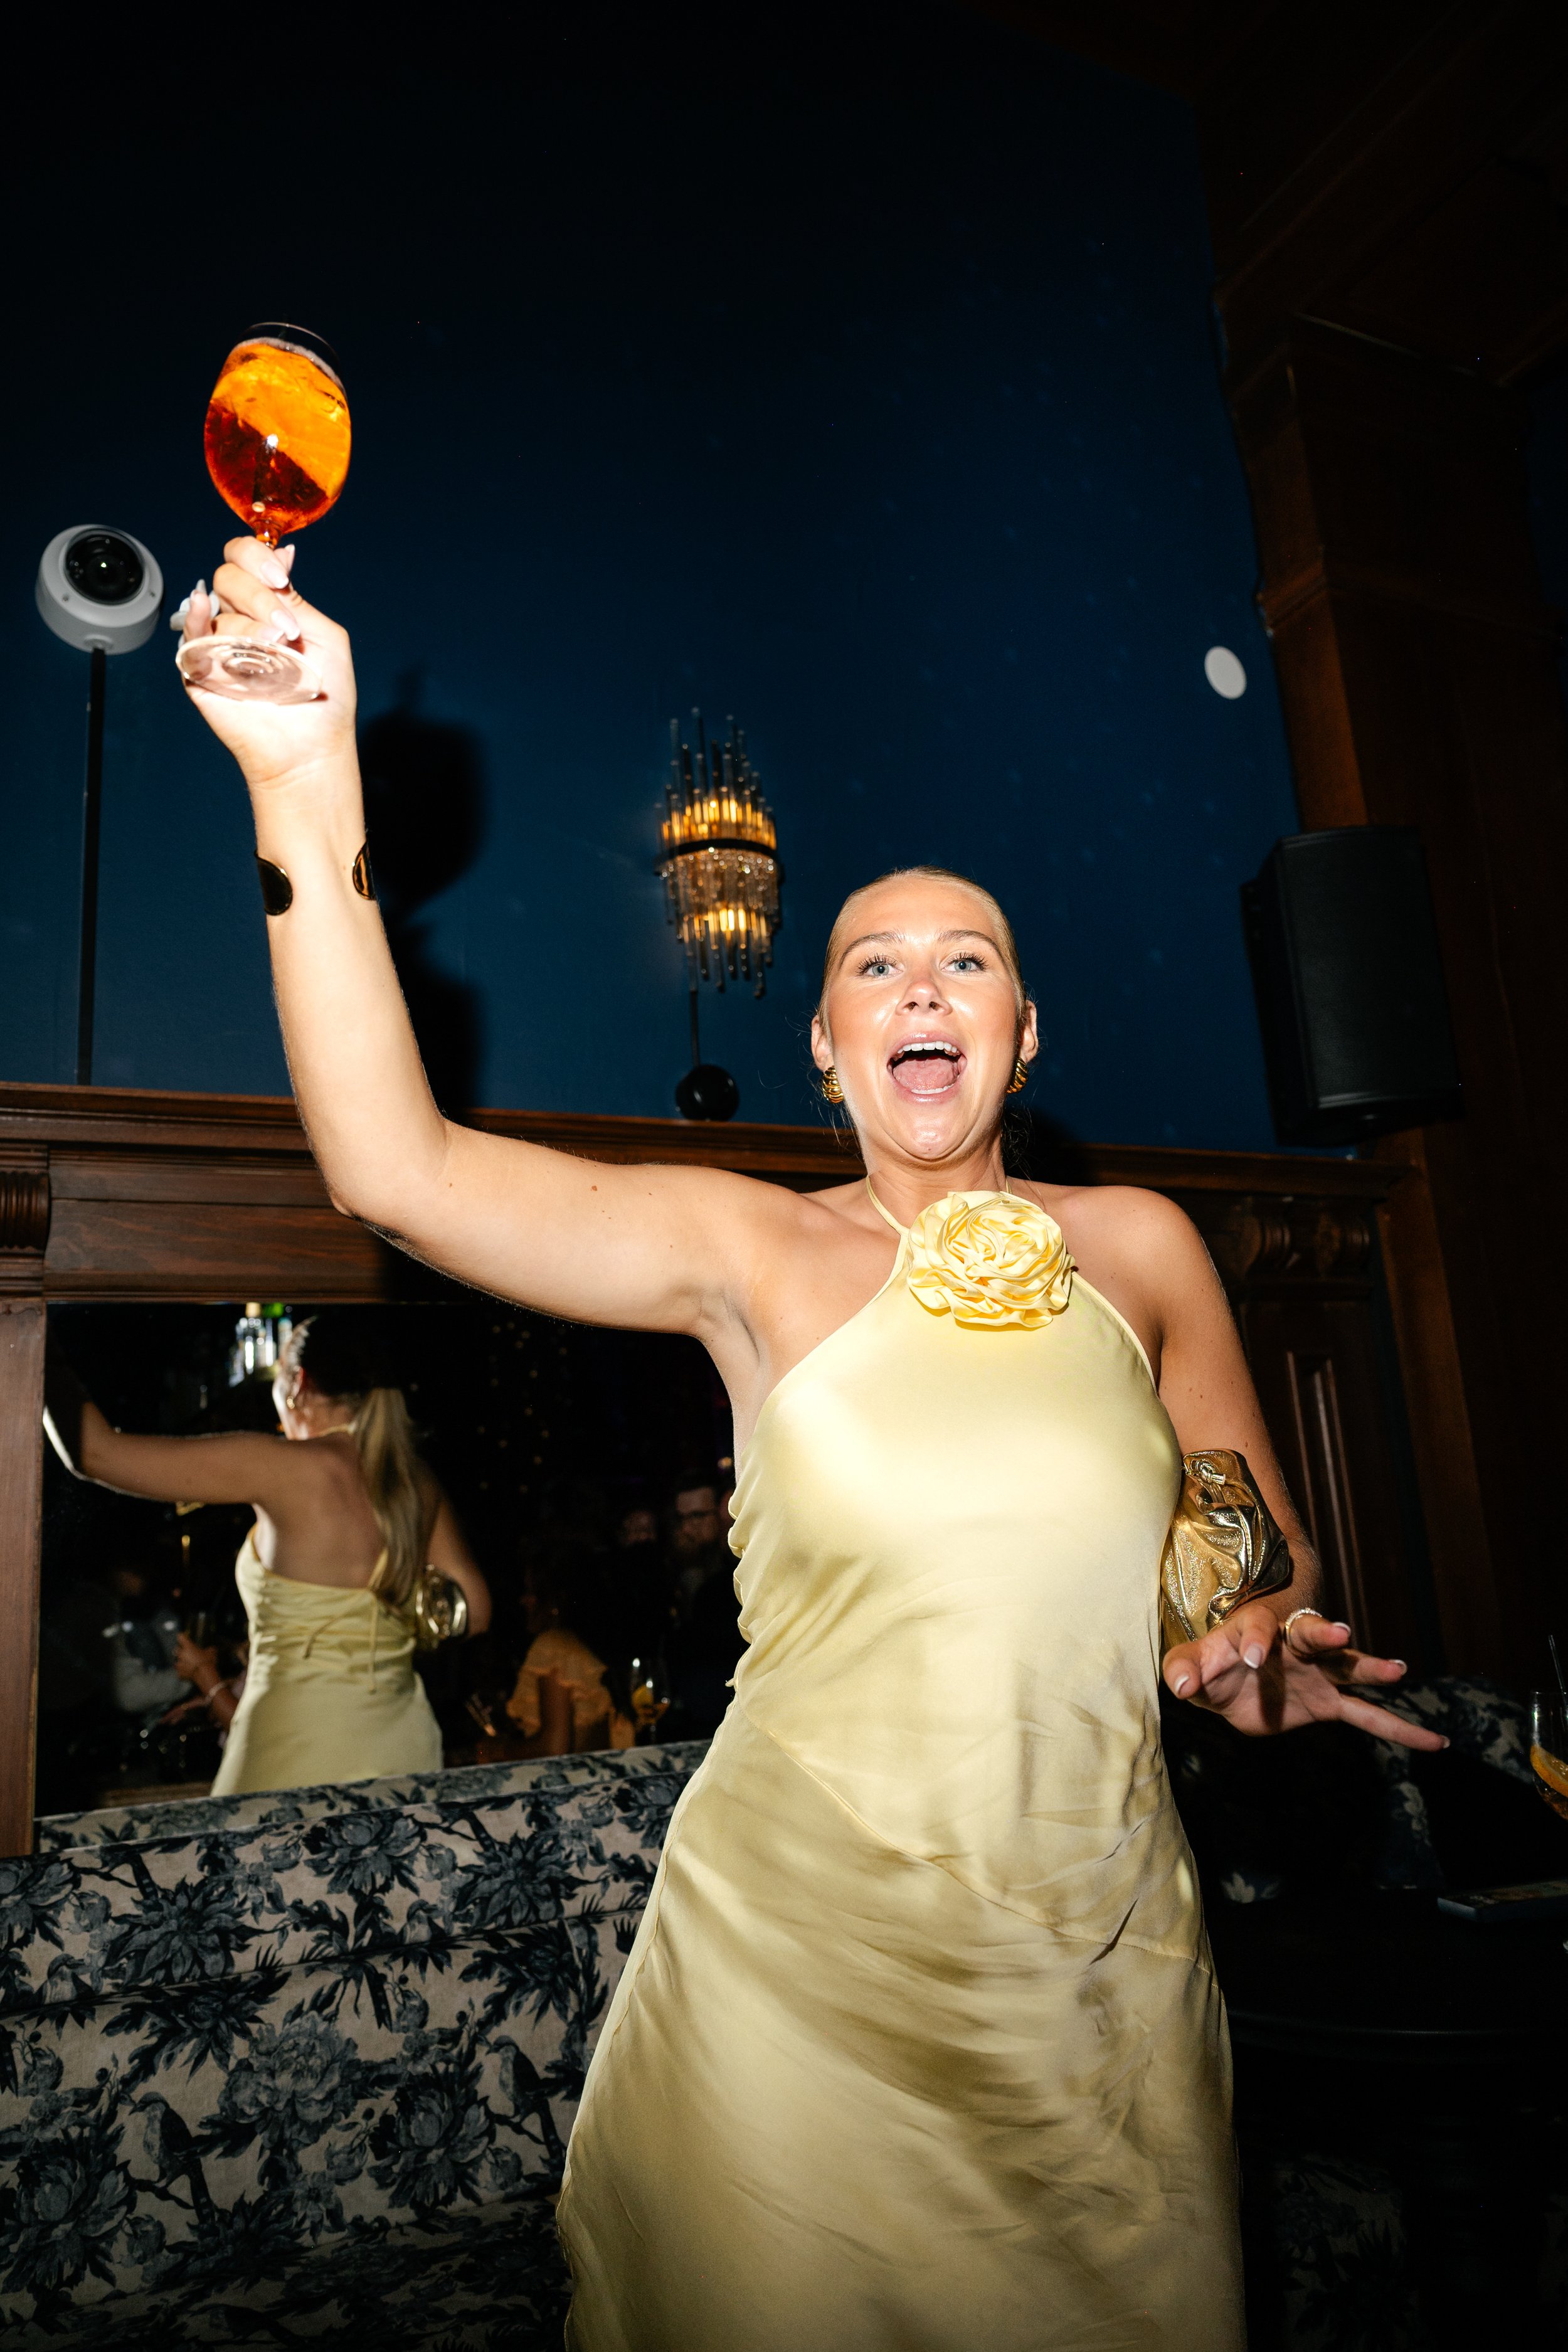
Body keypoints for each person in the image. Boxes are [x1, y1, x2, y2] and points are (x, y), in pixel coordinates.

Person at [177, 542, 1443, 2350]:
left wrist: (1247, 1650)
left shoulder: (1145, 1248)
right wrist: (305, 788)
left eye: (965, 958)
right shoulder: (750, 1251)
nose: (921, 982)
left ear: (1020, 1029)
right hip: (797, 1975)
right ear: (830, 1052)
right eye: (873, 963)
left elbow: (1240, 1545)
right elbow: (400, 1172)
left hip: (1095, 1983)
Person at [45, 1313, 491, 1797]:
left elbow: (96, 1453)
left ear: (298, 1383)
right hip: (403, 1741)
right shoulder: (414, 1481)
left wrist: (38, 1345)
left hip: (296, 1742)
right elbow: (476, 1611)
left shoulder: (281, 1465)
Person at [506, 1540, 636, 1752]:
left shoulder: (554, 1647)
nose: (524, 1601)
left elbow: (555, 1746)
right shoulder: (586, 1648)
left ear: (554, 1601)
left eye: (531, 1592)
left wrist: (496, 1753)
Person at [663, 1469, 745, 1739]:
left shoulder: (740, 1574)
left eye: (698, 1516)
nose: (688, 1529)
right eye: (681, 1519)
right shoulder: (672, 1571)